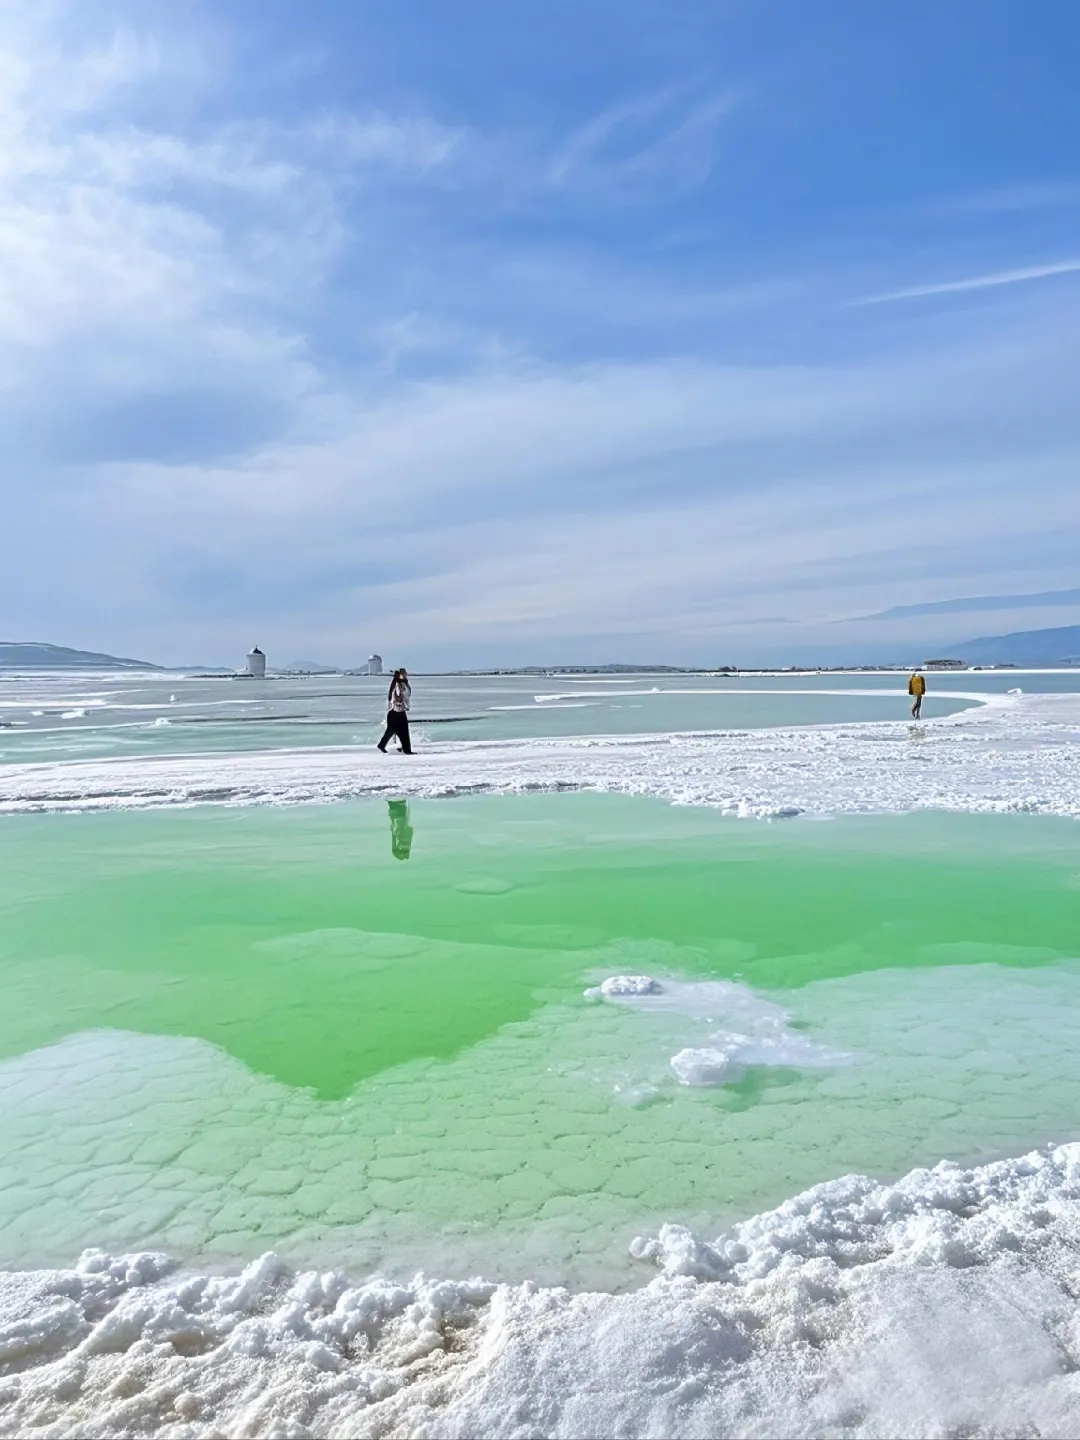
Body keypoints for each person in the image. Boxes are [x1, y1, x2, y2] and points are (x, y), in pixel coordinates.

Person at [377, 668, 413, 753]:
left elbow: (406, 696)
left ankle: (404, 748)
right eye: (402, 674)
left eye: (405, 674)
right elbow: (397, 696)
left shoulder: (404, 683)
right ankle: (405, 749)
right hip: (395, 711)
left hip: (399, 711)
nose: (404, 675)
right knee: (396, 730)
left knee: (397, 730)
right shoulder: (397, 684)